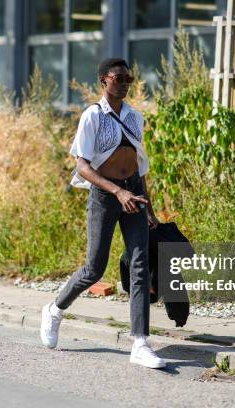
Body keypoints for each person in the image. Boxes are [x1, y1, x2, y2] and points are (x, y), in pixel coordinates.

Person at [40, 57, 166, 369]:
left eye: (129, 79)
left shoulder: (135, 117)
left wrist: (146, 204)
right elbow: (82, 166)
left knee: (140, 265)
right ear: (104, 81)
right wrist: (117, 191)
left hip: (133, 194)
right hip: (105, 197)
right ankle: (55, 309)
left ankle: (140, 342)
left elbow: (138, 166)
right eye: (119, 78)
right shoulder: (92, 116)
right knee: (94, 269)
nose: (125, 83)